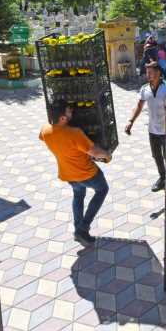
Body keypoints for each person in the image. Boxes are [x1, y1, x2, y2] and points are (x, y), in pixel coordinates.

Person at [39, 100, 112, 247]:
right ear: (62, 118)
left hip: (67, 173)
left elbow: (41, 136)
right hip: (87, 173)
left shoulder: (45, 130)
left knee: (78, 195)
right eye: (68, 111)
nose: (71, 112)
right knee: (102, 190)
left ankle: (79, 230)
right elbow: (95, 152)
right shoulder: (74, 133)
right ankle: (83, 228)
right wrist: (107, 155)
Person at [125, 62, 166, 192]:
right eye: (147, 72)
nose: (147, 75)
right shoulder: (145, 89)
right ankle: (162, 178)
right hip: (152, 129)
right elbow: (139, 106)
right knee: (156, 156)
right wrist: (130, 121)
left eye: (150, 72)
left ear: (158, 73)